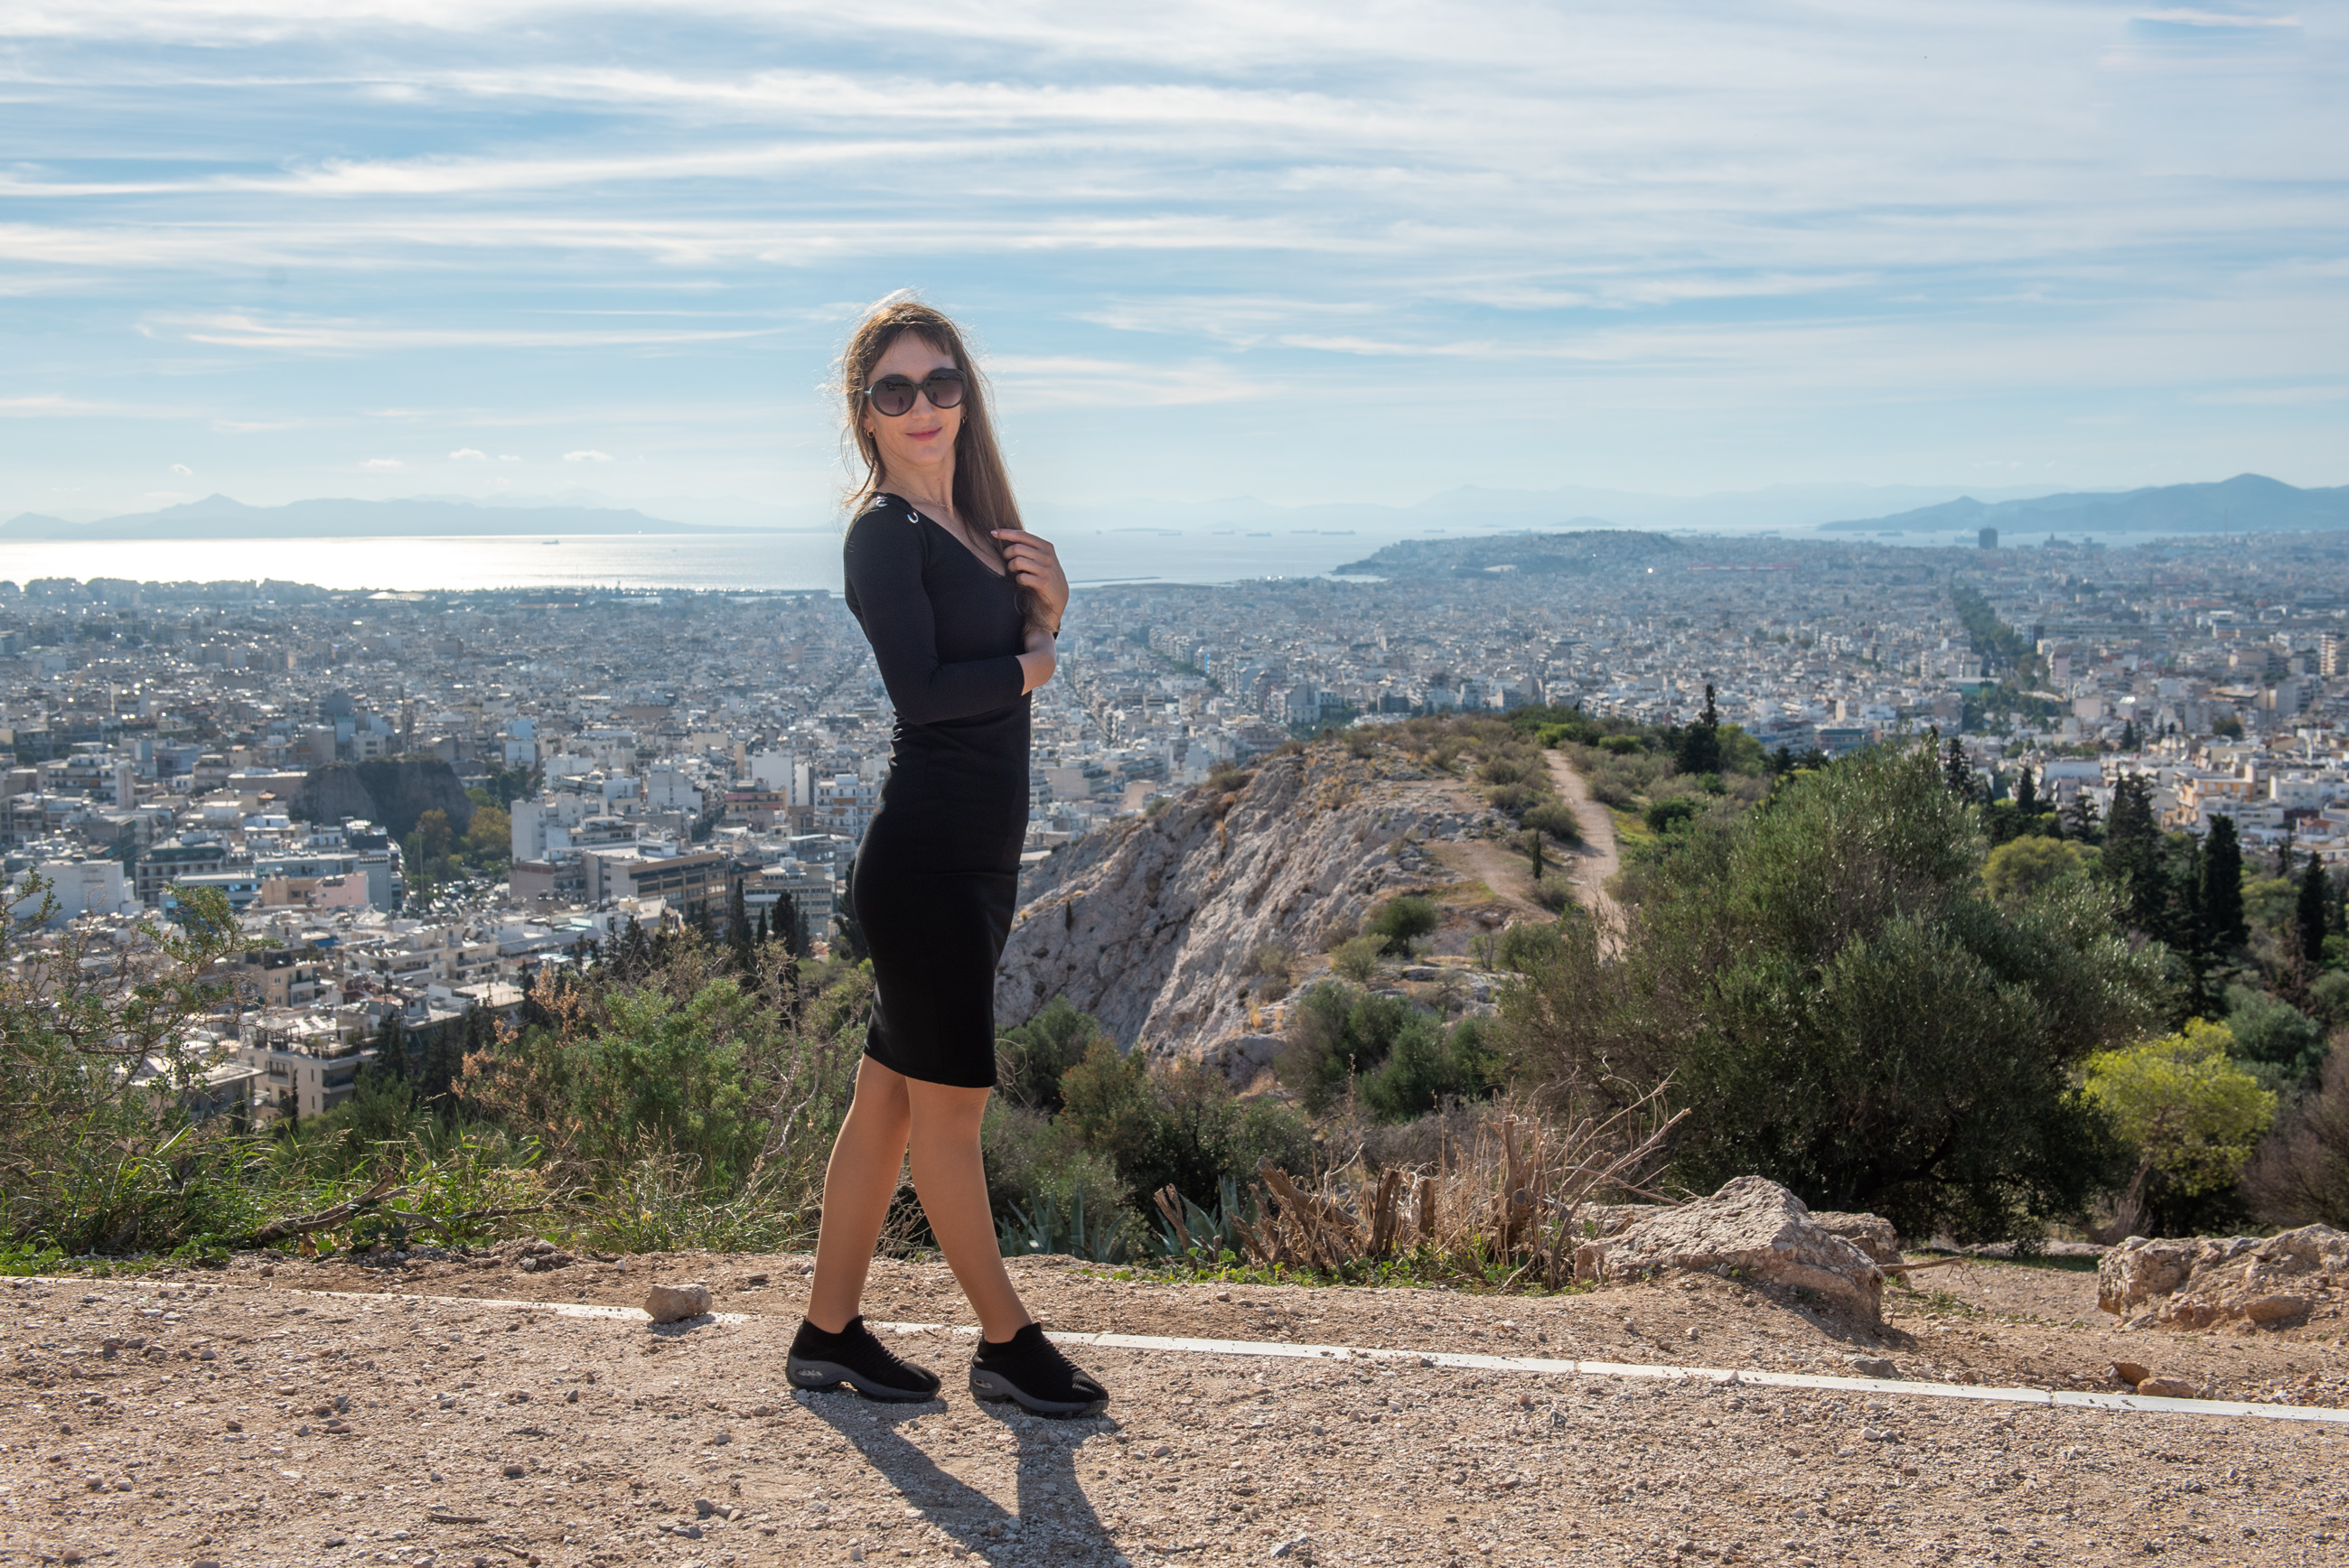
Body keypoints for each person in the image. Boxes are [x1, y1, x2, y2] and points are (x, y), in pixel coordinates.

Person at [786, 297, 1108, 1418]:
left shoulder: (977, 525)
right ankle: (1006, 1341)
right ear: (863, 415)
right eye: (894, 390)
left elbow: (1016, 649)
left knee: (885, 1104)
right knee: (953, 1114)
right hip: (924, 862)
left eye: (940, 383)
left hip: (974, 859)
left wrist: (1048, 606)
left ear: (965, 395)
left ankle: (827, 1331)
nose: (922, 407)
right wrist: (1037, 664)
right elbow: (922, 695)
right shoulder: (884, 532)